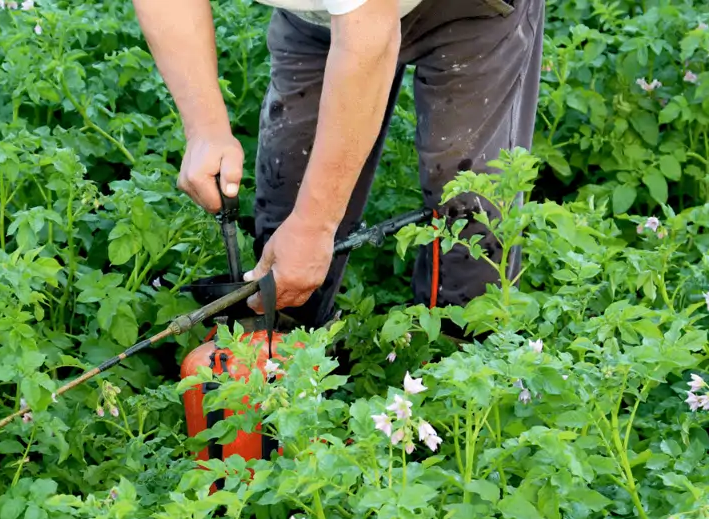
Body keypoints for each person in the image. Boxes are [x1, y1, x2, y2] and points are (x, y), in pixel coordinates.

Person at [131, 0, 545, 328]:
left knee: (467, 196)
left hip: (471, 11)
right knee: (289, 195)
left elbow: (370, 37)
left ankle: (465, 376)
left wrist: (316, 225)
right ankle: (288, 356)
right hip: (321, 19)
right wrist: (205, 128)